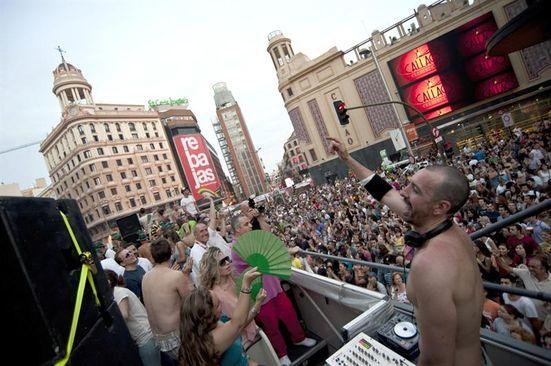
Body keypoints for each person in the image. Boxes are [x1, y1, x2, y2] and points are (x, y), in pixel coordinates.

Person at [328, 136, 484, 366]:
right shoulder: (445, 227)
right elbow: (387, 193)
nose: (403, 192)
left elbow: (437, 360)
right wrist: (347, 158)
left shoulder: (430, 264)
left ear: (441, 207)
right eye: (409, 183)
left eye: (415, 190)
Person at [230, 214, 316, 366]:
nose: (251, 225)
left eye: (250, 223)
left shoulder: (253, 238)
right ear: (237, 229)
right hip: (260, 295)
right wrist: (288, 251)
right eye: (246, 224)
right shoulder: (237, 248)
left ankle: (299, 339)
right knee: (271, 326)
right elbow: (265, 258)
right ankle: (282, 354)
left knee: (290, 314)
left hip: (274, 287)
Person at [178, 268, 265, 366]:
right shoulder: (210, 342)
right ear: (207, 316)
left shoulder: (217, 321)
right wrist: (246, 284)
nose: (221, 305)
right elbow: (238, 324)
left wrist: (256, 305)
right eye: (218, 304)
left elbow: (239, 326)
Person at [200, 247, 262, 348]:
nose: (227, 263)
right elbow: (238, 325)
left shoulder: (231, 279)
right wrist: (257, 305)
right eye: (222, 262)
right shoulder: (216, 296)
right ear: (213, 268)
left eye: (227, 259)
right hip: (244, 343)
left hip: (254, 331)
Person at [142, 238, 193, 361]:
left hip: (159, 338)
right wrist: (186, 275)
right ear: (171, 252)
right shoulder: (176, 276)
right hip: (176, 336)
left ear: (153, 256)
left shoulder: (146, 276)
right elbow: (193, 302)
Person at [105, 270, 161, 366]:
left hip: (145, 338)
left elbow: (124, 315)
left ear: (108, 282)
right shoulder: (117, 292)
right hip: (147, 336)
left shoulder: (118, 292)